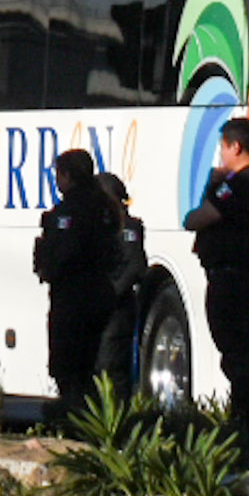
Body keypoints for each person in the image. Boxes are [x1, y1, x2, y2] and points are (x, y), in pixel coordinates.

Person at [185, 116, 249, 463]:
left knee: (237, 355)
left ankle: (245, 427)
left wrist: (212, 185)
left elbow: (196, 219)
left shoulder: (237, 186)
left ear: (235, 147)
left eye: (222, 148)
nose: (221, 155)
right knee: (245, 351)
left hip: (229, 279)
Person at [33, 147, 121, 424]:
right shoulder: (106, 207)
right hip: (100, 296)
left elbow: (62, 255)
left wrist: (46, 266)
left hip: (71, 299)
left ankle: (74, 423)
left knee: (67, 364)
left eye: (58, 174)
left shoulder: (69, 211)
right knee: (89, 366)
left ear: (67, 176)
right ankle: (90, 421)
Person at [97, 171, 150, 399]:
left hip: (117, 311)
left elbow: (136, 267)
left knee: (112, 368)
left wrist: (111, 292)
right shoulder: (99, 227)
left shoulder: (128, 228)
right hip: (97, 309)